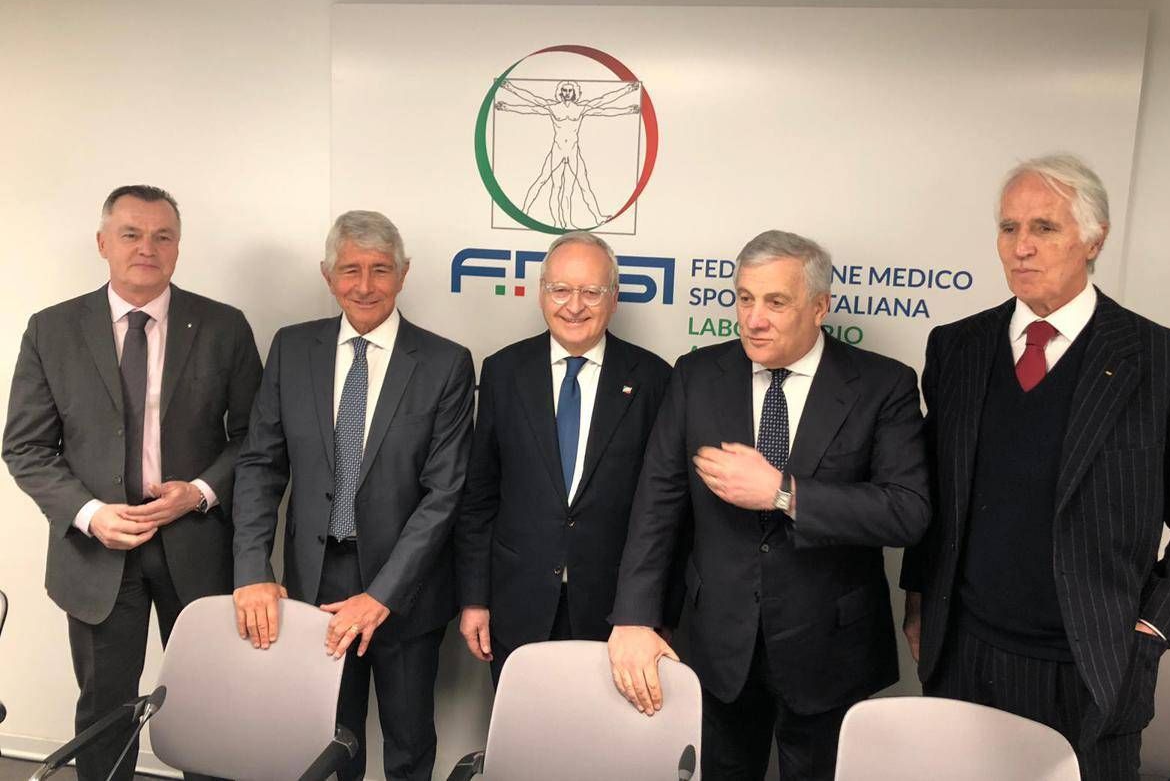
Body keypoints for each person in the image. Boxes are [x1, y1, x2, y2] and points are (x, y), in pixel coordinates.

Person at [900, 154, 1170, 781]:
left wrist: (1151, 630)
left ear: (1095, 239)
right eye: (1009, 228)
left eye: (1044, 228)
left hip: (1092, 668)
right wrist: (919, 599)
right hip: (963, 656)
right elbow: (937, 492)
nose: (1021, 247)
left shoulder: (1166, 362)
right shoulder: (956, 347)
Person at [608, 230, 930, 781]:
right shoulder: (696, 375)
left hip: (831, 649)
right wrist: (636, 616)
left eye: (776, 302)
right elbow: (658, 503)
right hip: (718, 645)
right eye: (745, 298)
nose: (754, 319)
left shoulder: (883, 384)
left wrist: (785, 493)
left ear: (820, 306)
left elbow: (906, 511)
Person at [3, 185, 262, 781]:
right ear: (103, 243)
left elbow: (254, 439)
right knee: (105, 711)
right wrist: (90, 512)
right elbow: (25, 447)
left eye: (162, 236)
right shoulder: (52, 330)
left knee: (206, 706)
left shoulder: (224, 327)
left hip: (196, 547)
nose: (147, 247)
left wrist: (199, 492)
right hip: (96, 554)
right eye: (131, 234)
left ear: (178, 247)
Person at [231, 211, 474, 781]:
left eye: (380, 269)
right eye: (350, 270)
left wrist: (383, 594)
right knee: (329, 741)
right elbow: (260, 465)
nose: (365, 286)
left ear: (404, 274)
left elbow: (444, 493)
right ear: (327, 274)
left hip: (405, 589)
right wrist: (252, 568)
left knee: (408, 745)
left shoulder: (445, 363)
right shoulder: (292, 349)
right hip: (316, 583)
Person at [455, 231, 673, 685]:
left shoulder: (654, 379)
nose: (574, 306)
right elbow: (479, 497)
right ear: (541, 293)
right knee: (523, 727)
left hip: (615, 614)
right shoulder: (502, 371)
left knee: (601, 730)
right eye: (560, 290)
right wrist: (475, 597)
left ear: (614, 297)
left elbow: (666, 510)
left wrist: (654, 614)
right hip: (517, 604)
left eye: (591, 291)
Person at [496, 79, 640, 227]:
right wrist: (508, 97)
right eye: (564, 90)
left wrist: (628, 98)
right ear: (560, 92)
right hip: (558, 149)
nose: (567, 93)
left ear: (574, 92)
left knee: (583, 184)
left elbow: (603, 105)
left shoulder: (581, 108)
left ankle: (597, 217)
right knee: (543, 180)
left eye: (570, 90)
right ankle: (524, 211)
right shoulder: (553, 107)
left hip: (572, 150)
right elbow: (531, 104)